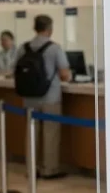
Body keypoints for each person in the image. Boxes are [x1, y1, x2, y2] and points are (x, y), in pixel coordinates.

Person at [16, 14, 71, 179]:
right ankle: (49, 169)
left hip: (28, 98)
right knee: (50, 134)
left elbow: (15, 69)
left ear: (35, 28)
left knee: (31, 133)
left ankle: (31, 169)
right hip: (49, 97)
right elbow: (64, 74)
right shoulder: (54, 48)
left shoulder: (23, 48)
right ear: (50, 29)